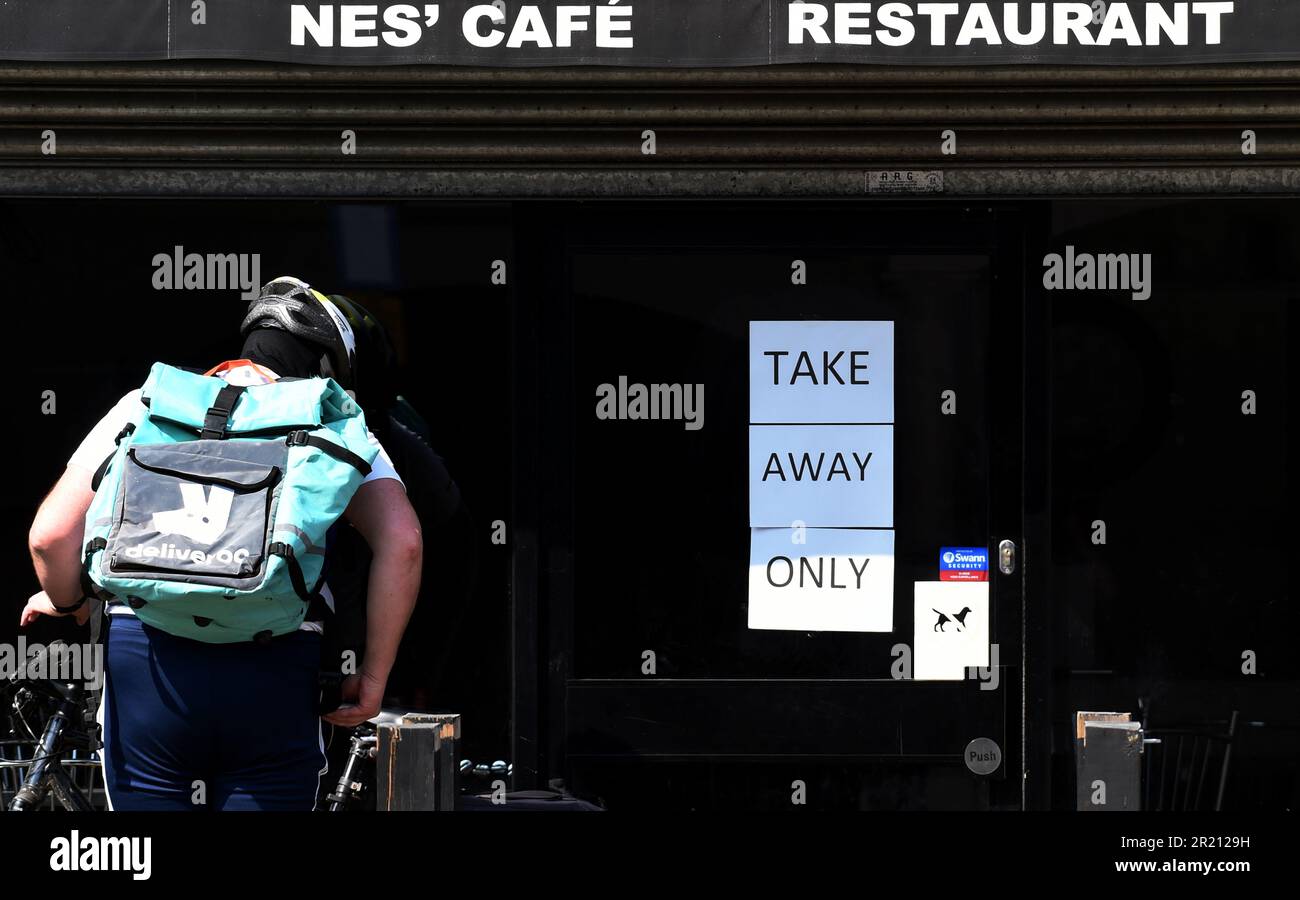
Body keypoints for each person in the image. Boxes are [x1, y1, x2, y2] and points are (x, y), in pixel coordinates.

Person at [21, 276, 423, 811]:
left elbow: (49, 538)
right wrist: (372, 677)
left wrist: (69, 599)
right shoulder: (334, 420)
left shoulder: (147, 405)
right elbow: (405, 543)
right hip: (276, 664)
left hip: (148, 662)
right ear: (328, 368)